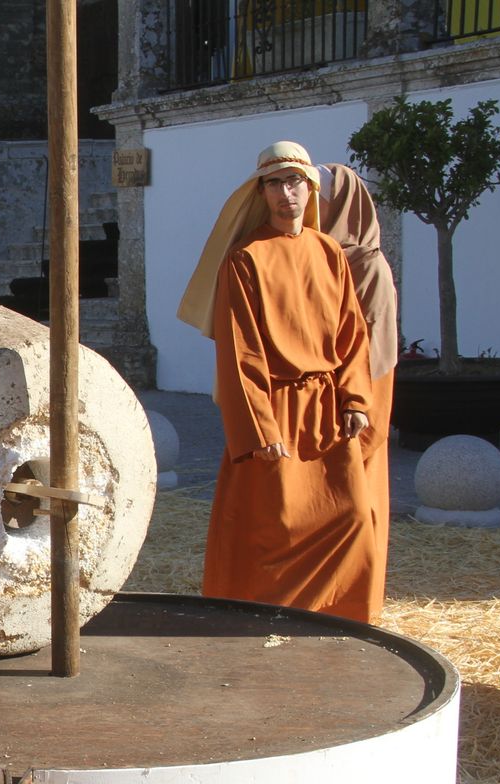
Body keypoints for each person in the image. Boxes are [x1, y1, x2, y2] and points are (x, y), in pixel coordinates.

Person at [176, 140, 380, 623]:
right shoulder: (245, 258)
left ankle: (339, 618)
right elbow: (240, 352)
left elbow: (353, 333)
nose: (287, 193)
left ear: (310, 189)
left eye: (295, 182)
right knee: (273, 525)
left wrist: (354, 397)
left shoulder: (329, 251)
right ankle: (260, 618)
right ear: (262, 192)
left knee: (350, 517)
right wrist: (260, 428)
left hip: (327, 409)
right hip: (275, 410)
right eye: (275, 183)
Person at [316, 162, 398, 620]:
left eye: (320, 199)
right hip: (326, 397)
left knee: (354, 497)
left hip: (357, 397)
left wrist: (355, 401)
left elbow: (372, 348)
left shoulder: (367, 264)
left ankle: (350, 602)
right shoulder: (321, 256)